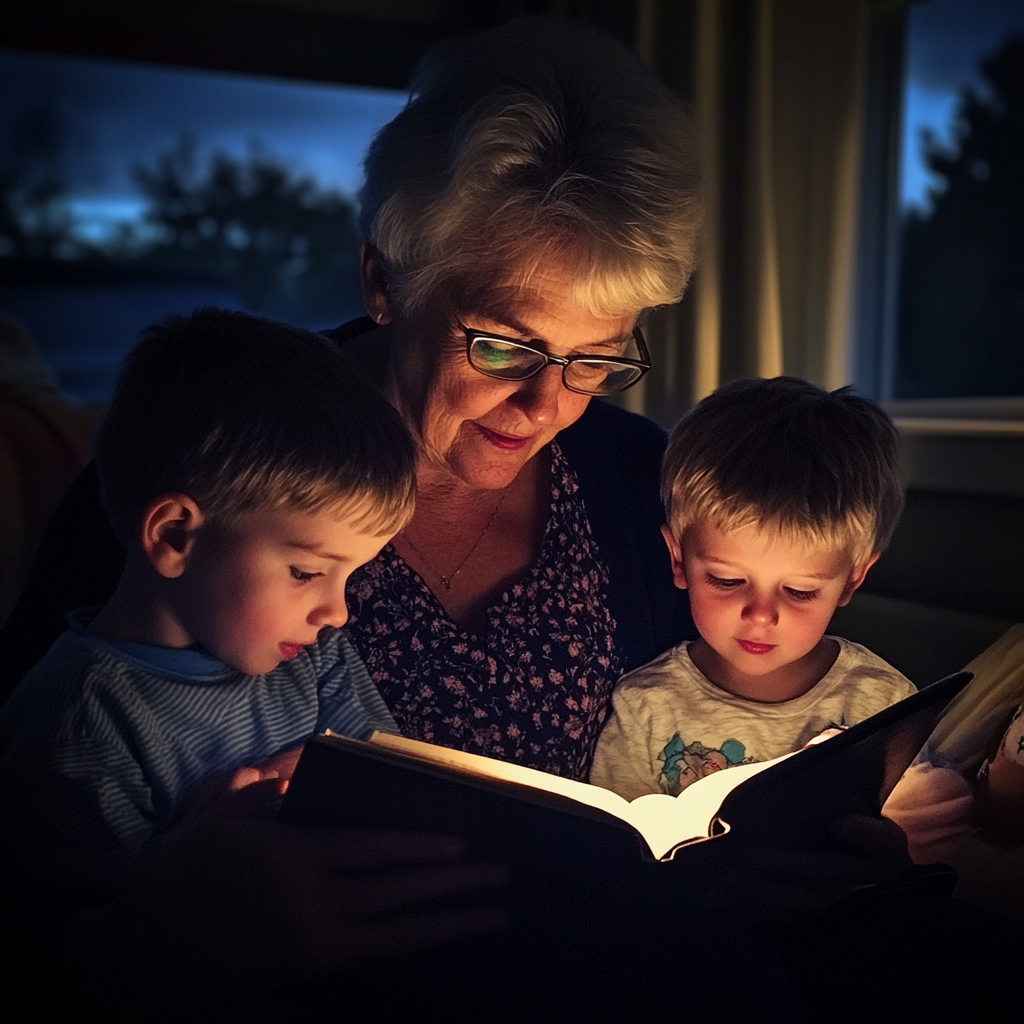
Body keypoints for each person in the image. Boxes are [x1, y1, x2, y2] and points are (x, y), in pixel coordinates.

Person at [0, 16, 1015, 1023]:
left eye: (597, 360)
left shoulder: (634, 481)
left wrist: (836, 854)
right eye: (500, 346)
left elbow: (726, 759)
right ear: (382, 280)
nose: (548, 407)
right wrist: (135, 947)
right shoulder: (212, 470)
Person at [0, 307, 422, 894]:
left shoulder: (315, 658)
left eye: (351, 577)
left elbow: (396, 783)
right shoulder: (78, 720)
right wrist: (200, 851)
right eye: (306, 572)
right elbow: (114, 938)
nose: (337, 613)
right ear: (175, 535)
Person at [591, 377, 915, 800]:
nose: (761, 615)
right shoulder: (645, 706)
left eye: (799, 591)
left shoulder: (883, 702)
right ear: (677, 559)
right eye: (727, 581)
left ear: (852, 580)